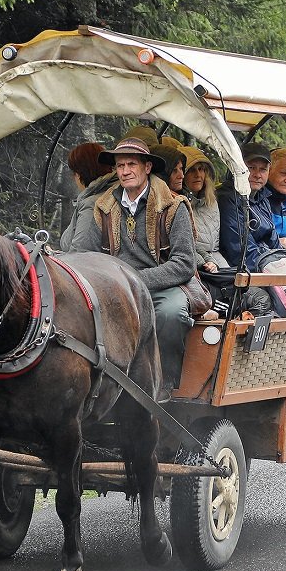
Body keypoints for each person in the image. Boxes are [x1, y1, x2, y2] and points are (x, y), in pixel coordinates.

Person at [70, 135, 197, 393]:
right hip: (118, 287)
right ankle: (102, 385)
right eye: (120, 166)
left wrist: (139, 279)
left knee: (171, 314)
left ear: (147, 167)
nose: (125, 171)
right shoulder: (104, 206)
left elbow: (184, 264)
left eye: (131, 164)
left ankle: (165, 383)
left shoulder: (174, 206)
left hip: (163, 286)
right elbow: (84, 252)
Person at [218, 142, 276, 269]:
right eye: (251, 168)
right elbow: (242, 252)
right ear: (237, 168)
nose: (257, 174)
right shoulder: (228, 198)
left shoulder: (263, 197)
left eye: (263, 169)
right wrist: (274, 267)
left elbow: (274, 241)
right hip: (243, 273)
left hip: (267, 264)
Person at [180, 146, 228, 273]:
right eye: (191, 170)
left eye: (201, 169)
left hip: (216, 256)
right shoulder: (180, 203)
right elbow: (186, 245)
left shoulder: (211, 201)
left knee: (234, 282)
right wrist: (207, 261)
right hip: (195, 261)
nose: (198, 175)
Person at [59, 143, 114, 252]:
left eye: (74, 173)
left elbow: (79, 253)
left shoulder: (92, 205)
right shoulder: (114, 192)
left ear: (79, 174)